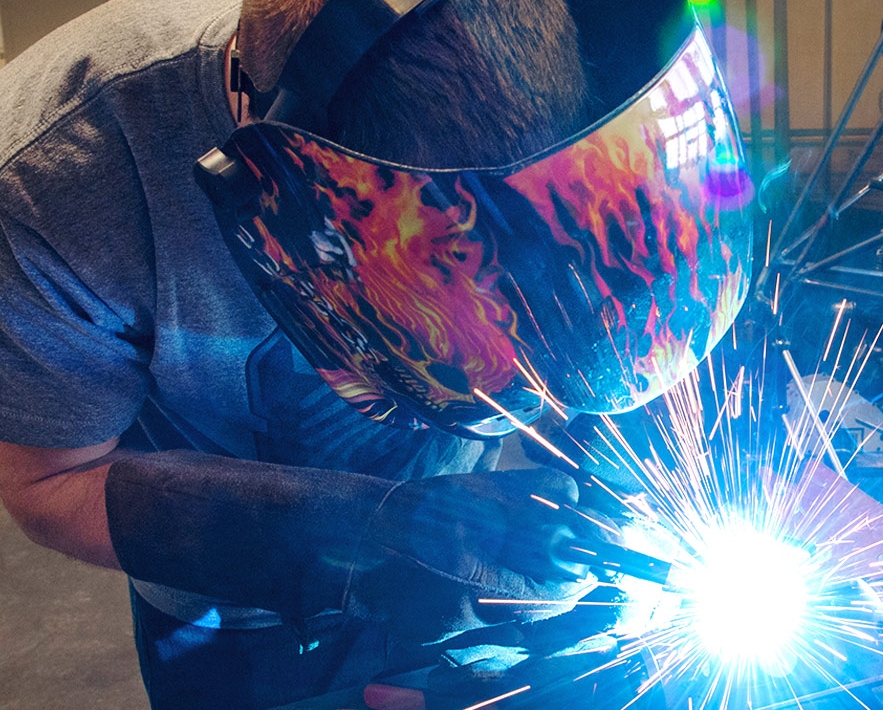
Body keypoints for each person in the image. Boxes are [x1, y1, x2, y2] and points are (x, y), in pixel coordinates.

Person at [0, 0, 751, 707]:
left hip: (479, 543)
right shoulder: (54, 184)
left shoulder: (591, 65)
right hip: (229, 609)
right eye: (458, 277)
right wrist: (372, 535)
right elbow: (49, 485)